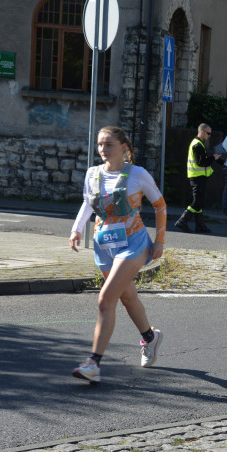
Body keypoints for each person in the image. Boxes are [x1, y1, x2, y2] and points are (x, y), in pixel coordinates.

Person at [69, 126, 167, 383]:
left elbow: (160, 205)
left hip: (133, 243)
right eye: (100, 144)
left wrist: (159, 241)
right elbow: (86, 203)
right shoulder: (92, 174)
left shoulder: (138, 174)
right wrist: (76, 229)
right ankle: (150, 337)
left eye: (109, 144)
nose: (103, 149)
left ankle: (93, 363)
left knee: (105, 300)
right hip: (104, 244)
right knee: (127, 298)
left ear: (124, 147)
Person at [175, 123, 221, 233]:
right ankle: (182, 221)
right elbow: (201, 162)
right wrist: (213, 157)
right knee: (196, 202)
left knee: (199, 202)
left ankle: (200, 226)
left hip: (198, 177)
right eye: (208, 133)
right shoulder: (197, 145)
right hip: (197, 177)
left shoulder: (199, 143)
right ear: (202, 132)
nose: (209, 135)